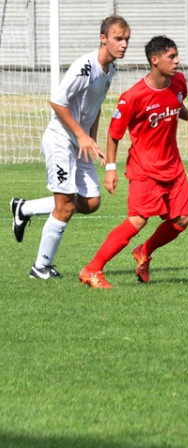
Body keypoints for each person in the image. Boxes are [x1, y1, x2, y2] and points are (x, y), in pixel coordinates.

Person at [10, 15, 131, 279]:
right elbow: (57, 102)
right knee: (65, 207)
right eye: (118, 38)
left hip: (81, 142)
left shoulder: (112, 69)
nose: (123, 44)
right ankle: (40, 268)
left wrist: (92, 139)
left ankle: (25, 208)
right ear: (103, 38)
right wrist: (81, 135)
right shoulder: (85, 67)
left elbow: (95, 108)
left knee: (90, 202)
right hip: (61, 141)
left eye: (126, 40)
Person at [79, 35, 188, 289]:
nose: (177, 61)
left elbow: (177, 104)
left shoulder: (178, 82)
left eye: (177, 56)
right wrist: (111, 169)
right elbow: (114, 135)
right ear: (154, 60)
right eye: (172, 57)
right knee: (137, 220)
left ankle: (144, 251)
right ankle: (92, 269)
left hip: (173, 167)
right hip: (144, 169)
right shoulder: (132, 97)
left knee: (182, 219)